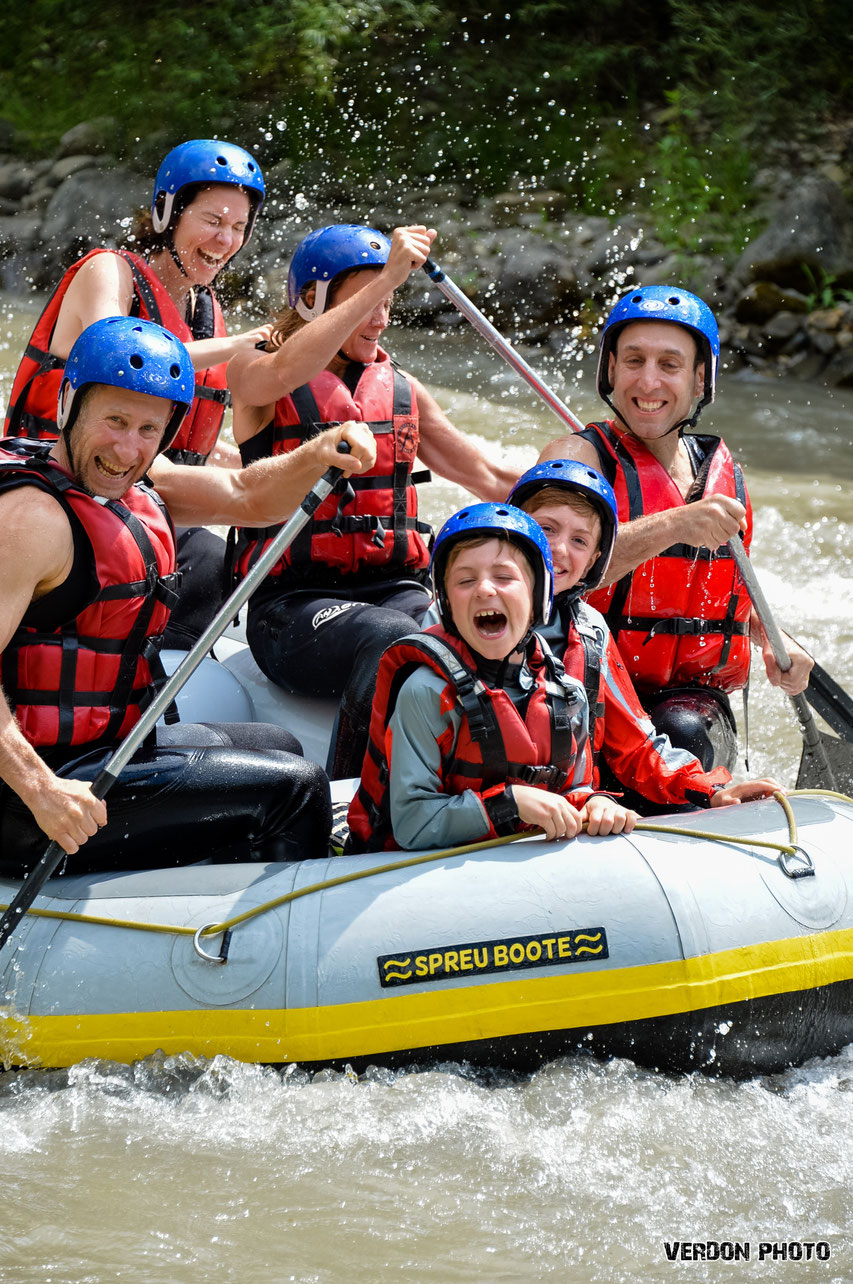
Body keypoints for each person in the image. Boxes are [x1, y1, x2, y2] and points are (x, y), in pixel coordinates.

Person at [0, 316, 377, 877]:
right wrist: (42, 790)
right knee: (294, 791)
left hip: (106, 752)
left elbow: (248, 495)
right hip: (33, 800)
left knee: (279, 744)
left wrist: (320, 450)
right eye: (115, 421)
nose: (128, 449)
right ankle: (257, 950)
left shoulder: (136, 483)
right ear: (68, 406)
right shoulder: (31, 520)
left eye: (149, 431)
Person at [227, 222, 520, 780]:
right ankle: (348, 810)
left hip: (396, 591)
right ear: (312, 301)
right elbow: (287, 370)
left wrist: (584, 494)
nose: (381, 318)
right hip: (292, 610)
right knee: (393, 640)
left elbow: (486, 474)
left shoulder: (401, 388)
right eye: (366, 301)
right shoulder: (256, 368)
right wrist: (387, 273)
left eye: (388, 301)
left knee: (480, 626)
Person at [3, 139, 272, 647]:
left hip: (143, 495)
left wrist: (239, 459)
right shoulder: (108, 270)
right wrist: (240, 345)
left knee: (222, 552)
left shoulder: (205, 310)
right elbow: (116, 358)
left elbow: (179, 433)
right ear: (167, 212)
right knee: (212, 550)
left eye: (238, 228)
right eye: (212, 220)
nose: (225, 240)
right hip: (58, 486)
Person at [538, 286, 813, 772]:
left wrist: (771, 638)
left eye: (669, 364)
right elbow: (547, 575)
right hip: (582, 686)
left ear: (699, 378)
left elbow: (726, 592)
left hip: (691, 701)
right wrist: (676, 523)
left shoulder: (724, 473)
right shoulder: (575, 458)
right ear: (611, 370)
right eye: (633, 360)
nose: (648, 382)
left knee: (686, 729)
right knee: (672, 730)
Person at [346, 503, 637, 853]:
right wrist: (510, 802)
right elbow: (412, 824)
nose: (484, 589)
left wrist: (594, 804)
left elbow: (575, 791)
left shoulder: (569, 695)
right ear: (448, 605)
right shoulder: (426, 693)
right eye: (466, 581)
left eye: (504, 577)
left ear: (537, 598)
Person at [507, 459, 783, 812]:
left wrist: (711, 792)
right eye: (546, 529)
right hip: (485, 812)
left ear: (594, 560)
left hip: (566, 810)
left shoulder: (588, 631)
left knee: (681, 735)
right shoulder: (462, 615)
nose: (559, 550)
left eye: (579, 539)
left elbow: (638, 745)